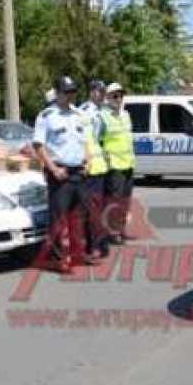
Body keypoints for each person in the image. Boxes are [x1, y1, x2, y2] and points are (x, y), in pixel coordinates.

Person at [33, 75, 91, 272]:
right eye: (66, 92)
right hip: (60, 172)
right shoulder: (47, 116)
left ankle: (76, 254)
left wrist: (87, 162)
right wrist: (53, 168)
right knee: (58, 218)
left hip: (78, 172)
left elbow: (84, 141)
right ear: (57, 93)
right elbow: (38, 146)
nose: (70, 95)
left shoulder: (78, 114)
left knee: (79, 216)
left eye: (72, 91)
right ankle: (58, 259)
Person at [97, 82, 136, 244]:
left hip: (128, 164)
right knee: (114, 201)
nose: (118, 98)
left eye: (120, 95)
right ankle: (113, 233)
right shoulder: (102, 117)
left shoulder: (126, 115)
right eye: (114, 96)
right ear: (107, 98)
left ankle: (121, 229)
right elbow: (96, 141)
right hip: (114, 166)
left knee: (125, 200)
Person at [79, 79, 110, 260]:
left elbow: (100, 139)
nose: (101, 95)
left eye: (103, 92)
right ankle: (92, 247)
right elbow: (83, 140)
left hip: (100, 168)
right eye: (99, 91)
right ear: (91, 92)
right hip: (90, 169)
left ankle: (100, 244)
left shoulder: (101, 112)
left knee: (99, 209)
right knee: (91, 210)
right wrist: (86, 162)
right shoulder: (85, 111)